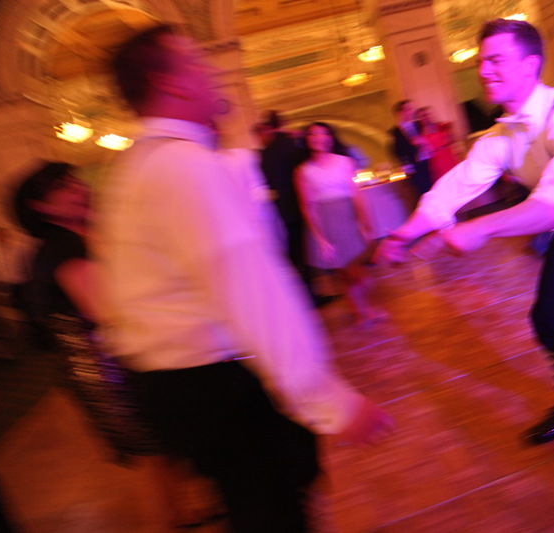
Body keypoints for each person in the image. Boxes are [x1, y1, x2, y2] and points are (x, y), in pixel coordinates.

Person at [98, 25, 393, 532]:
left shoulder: (134, 167)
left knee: (258, 506)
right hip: (212, 383)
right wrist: (328, 401)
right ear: (168, 82)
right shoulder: (182, 165)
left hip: (174, 384)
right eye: (196, 61)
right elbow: (247, 288)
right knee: (272, 512)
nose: (212, 70)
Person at [375, 18, 554, 491]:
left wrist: (479, 228)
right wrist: (400, 237)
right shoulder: (499, 138)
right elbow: (454, 187)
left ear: (531, 65)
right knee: (548, 318)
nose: (483, 70)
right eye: (481, 61)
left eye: (495, 59)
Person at [9, 161, 219, 528]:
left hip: (117, 356)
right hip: (100, 368)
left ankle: (182, 511)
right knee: (148, 453)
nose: (76, 189)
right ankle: (163, 521)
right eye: (62, 187)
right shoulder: (61, 247)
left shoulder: (84, 233)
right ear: (39, 207)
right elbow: (102, 309)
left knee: (162, 444)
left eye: (74, 181)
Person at [295, 122, 385, 325]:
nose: (318, 138)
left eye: (323, 134)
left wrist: (364, 223)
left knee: (356, 270)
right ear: (307, 139)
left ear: (330, 138)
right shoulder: (304, 171)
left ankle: (367, 308)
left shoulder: (344, 162)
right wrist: (319, 238)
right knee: (342, 273)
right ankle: (360, 312)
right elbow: (307, 207)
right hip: (326, 222)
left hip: (348, 216)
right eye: (313, 134)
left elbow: (357, 194)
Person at [253, 111, 331, 307]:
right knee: (307, 251)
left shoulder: (264, 153)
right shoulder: (292, 145)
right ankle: (314, 295)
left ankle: (306, 294)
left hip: (282, 208)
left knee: (295, 252)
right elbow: (305, 171)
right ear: (282, 123)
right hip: (300, 204)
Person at [390, 99, 432, 197]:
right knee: (423, 194)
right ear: (400, 113)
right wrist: (406, 165)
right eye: (408, 109)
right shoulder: (395, 132)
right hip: (414, 169)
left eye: (411, 109)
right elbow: (396, 152)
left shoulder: (418, 125)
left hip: (427, 164)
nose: (411, 111)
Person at [415, 106, 459, 182]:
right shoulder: (421, 136)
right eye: (423, 116)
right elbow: (423, 155)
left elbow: (452, 141)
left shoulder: (441, 126)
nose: (426, 117)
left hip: (449, 159)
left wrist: (450, 132)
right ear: (420, 119)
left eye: (428, 114)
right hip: (437, 165)